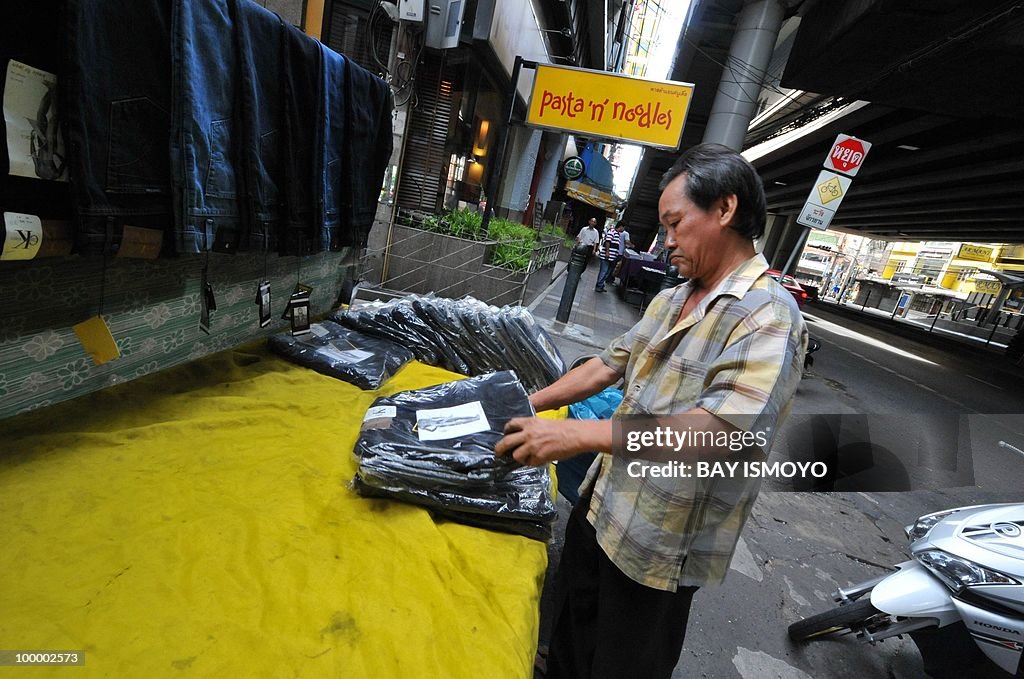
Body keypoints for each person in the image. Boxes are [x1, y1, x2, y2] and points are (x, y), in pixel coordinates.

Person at [496, 143, 807, 679]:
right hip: (601, 511)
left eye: (675, 223)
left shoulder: (769, 318)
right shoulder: (671, 298)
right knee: (568, 648)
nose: (666, 241)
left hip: (659, 548)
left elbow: (716, 433)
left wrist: (581, 436)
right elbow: (606, 366)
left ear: (725, 210)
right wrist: (526, 402)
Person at [593, 222, 627, 292]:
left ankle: (601, 285)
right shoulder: (612, 232)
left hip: (612, 257)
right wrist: (607, 252)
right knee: (604, 271)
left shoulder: (617, 234)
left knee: (607, 272)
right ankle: (598, 286)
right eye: (624, 227)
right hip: (607, 256)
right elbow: (608, 242)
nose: (624, 229)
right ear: (621, 226)